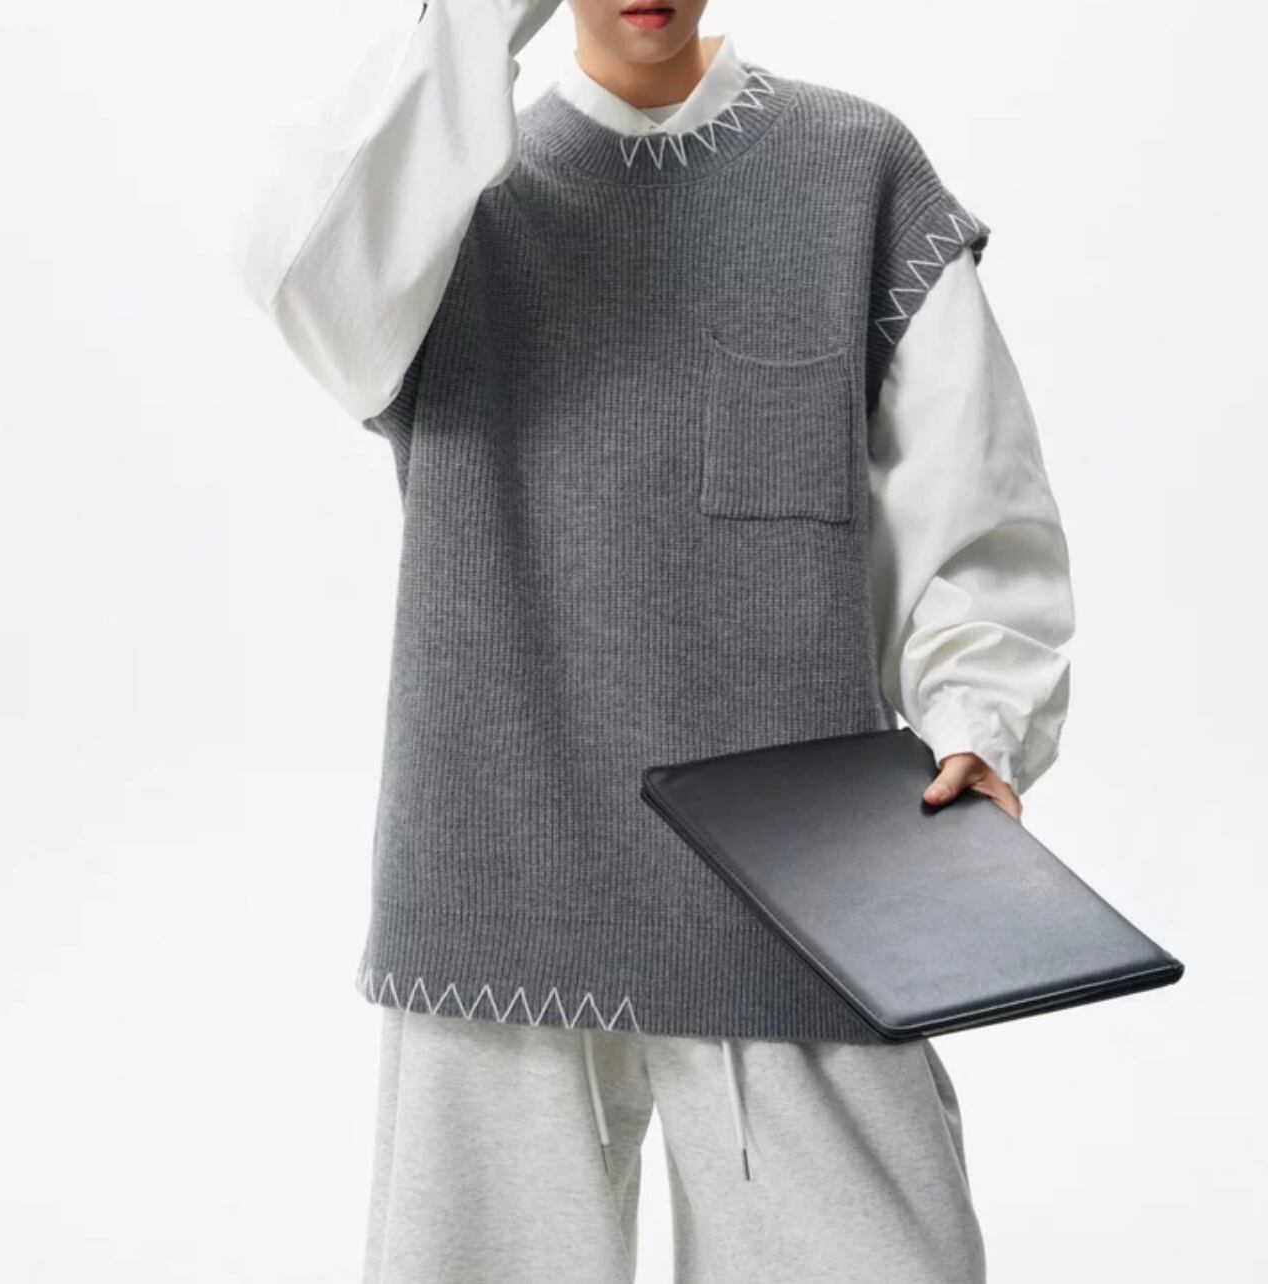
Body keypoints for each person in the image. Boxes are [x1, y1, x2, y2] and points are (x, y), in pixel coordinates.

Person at [230, 1, 1074, 1279]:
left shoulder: (856, 172)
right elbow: (303, 266)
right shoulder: (438, 210)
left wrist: (979, 724)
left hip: (804, 885)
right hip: (495, 880)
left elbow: (973, 505)